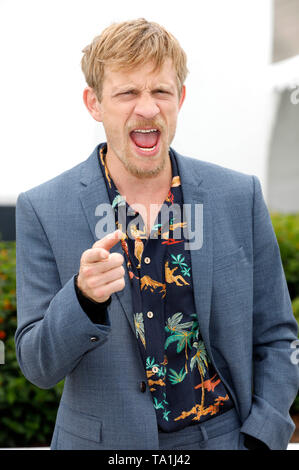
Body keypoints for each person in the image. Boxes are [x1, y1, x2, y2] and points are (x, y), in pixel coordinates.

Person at [15, 18, 299, 450]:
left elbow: (279, 338)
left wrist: (263, 436)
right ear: (94, 103)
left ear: (180, 98)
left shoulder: (239, 196)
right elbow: (36, 365)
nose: (146, 108)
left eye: (160, 91)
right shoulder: (42, 207)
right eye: (127, 92)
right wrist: (81, 298)